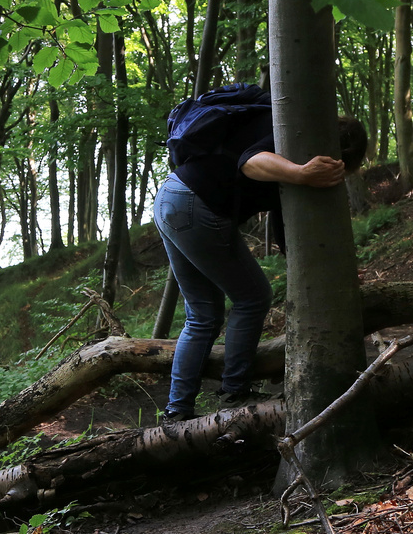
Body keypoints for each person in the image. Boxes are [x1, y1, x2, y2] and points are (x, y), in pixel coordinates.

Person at [154, 102, 368, 427]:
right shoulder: (285, 129)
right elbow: (249, 162)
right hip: (197, 204)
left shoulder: (293, 139)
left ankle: (177, 410)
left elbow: (283, 218)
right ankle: (235, 393)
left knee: (203, 314)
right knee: (252, 298)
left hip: (172, 196)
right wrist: (301, 172)